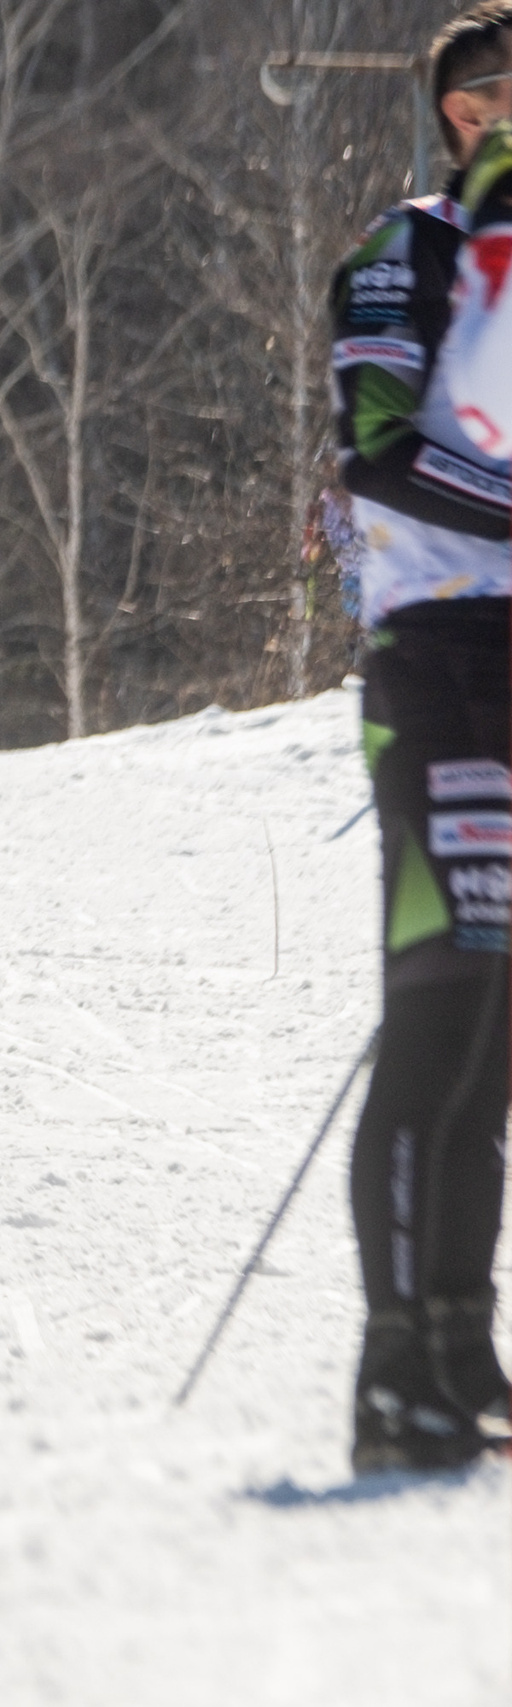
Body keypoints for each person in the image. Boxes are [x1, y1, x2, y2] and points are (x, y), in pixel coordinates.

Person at [328, 3, 512, 1473]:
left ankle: (464, 1341)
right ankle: (393, 1366)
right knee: (441, 1000)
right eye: (480, 89)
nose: (501, 105)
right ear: (444, 113)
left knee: (498, 1034)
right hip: (437, 657)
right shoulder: (411, 249)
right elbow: (380, 447)